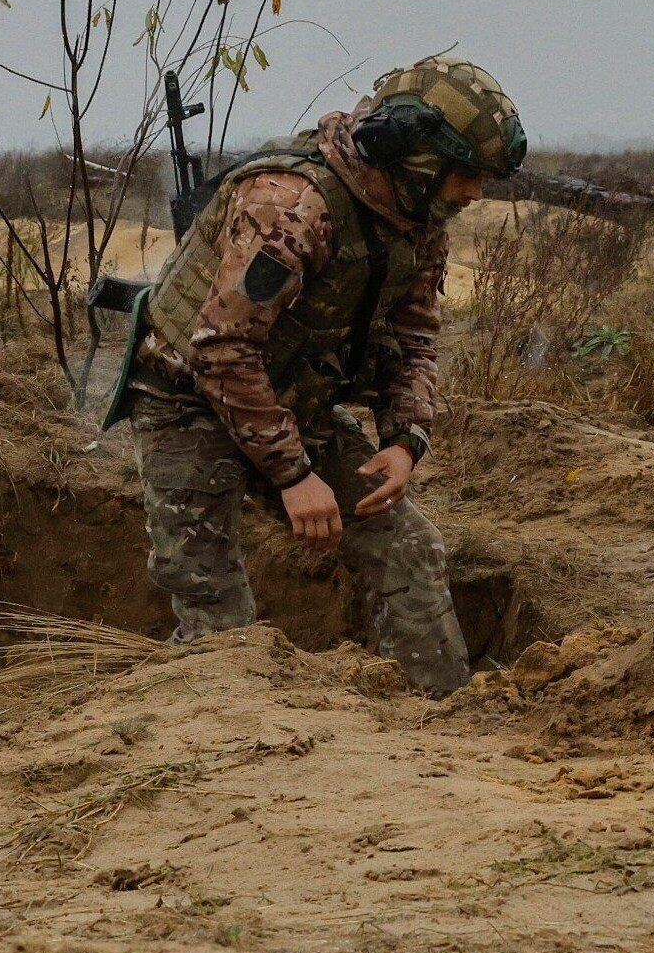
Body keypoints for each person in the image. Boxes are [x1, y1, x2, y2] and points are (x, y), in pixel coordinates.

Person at [112, 57, 526, 696]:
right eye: (466, 174)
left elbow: (413, 335)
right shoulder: (289, 208)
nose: (474, 195)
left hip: (289, 398)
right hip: (186, 400)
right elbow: (220, 349)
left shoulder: (417, 217)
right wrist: (294, 474)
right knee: (217, 616)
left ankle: (440, 723)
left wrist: (404, 438)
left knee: (411, 550)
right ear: (415, 154)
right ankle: (215, 757)